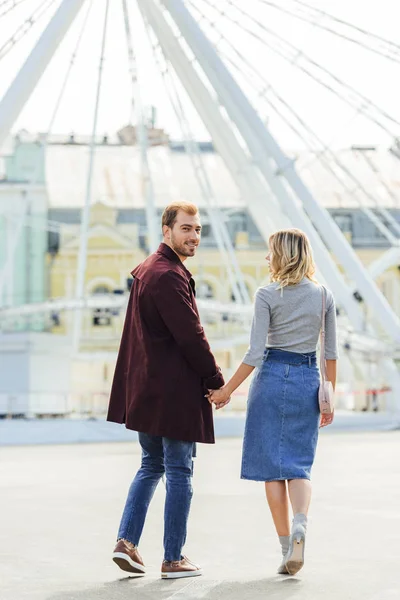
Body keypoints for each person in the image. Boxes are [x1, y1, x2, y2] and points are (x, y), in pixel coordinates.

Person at [208, 228, 338, 576]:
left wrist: (225, 392)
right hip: (307, 381)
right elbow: (330, 354)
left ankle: (285, 549)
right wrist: (329, 398)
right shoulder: (325, 295)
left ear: (282, 255)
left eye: (270, 252)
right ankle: (301, 524)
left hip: (270, 379)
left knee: (272, 472)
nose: (267, 258)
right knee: (298, 465)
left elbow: (254, 353)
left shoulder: (266, 294)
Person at [107, 202, 225, 579]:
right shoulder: (169, 276)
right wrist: (215, 380)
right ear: (167, 230)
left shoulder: (147, 270)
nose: (193, 236)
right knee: (179, 471)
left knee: (150, 465)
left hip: (146, 388)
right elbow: (191, 336)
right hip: (172, 391)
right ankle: (173, 558)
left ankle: (126, 542)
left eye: (198, 230)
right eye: (186, 229)